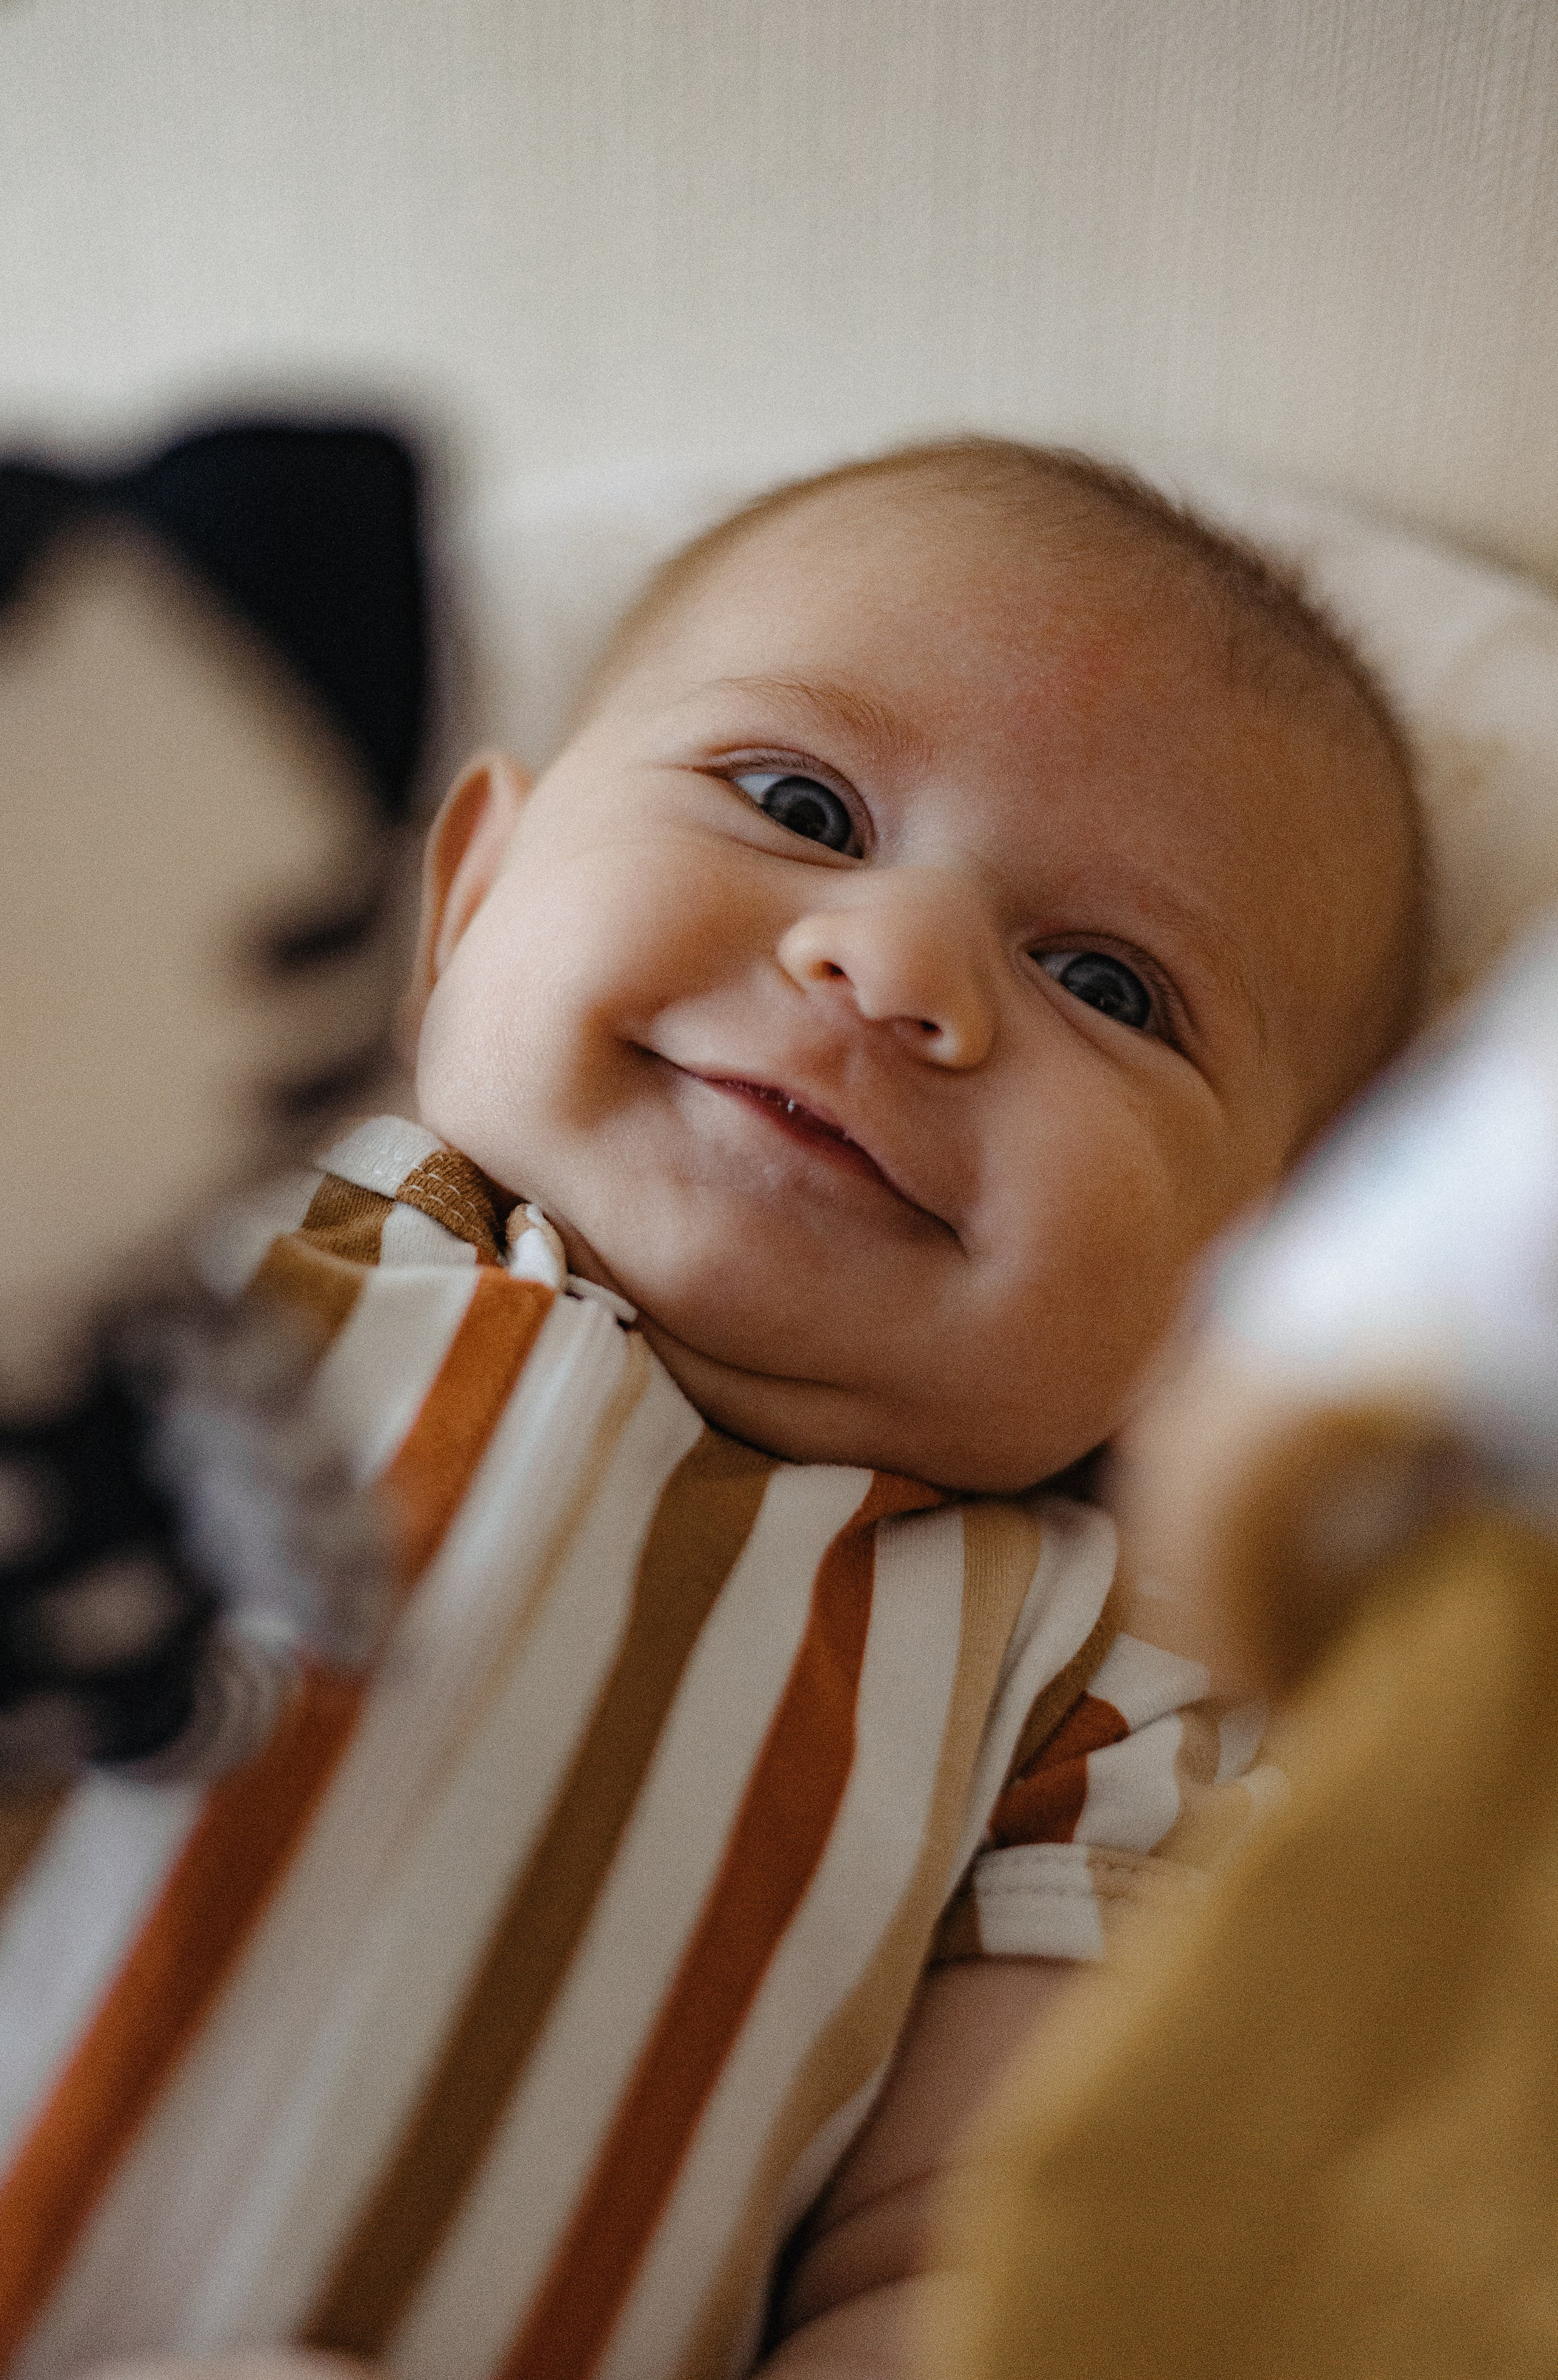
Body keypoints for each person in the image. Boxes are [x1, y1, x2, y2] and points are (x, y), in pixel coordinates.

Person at [0, 440, 1427, 2380]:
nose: (897, 962)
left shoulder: (1097, 1686)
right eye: (797, 804)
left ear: (1248, 1279)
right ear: (467, 895)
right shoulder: (157, 1250)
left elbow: (984, 2264)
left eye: (1107, 979)